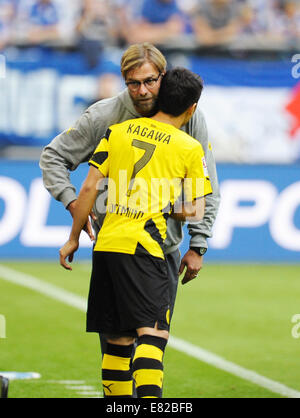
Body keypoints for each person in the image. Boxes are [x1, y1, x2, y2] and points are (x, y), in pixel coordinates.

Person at [39, 42, 220, 360]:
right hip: (113, 244)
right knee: (126, 347)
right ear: (123, 81)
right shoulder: (105, 116)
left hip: (161, 248)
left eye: (150, 80)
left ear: (162, 76)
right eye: (133, 83)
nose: (143, 90)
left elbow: (208, 188)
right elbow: (54, 157)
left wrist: (198, 244)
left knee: (145, 348)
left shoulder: (189, 115)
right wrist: (73, 205)